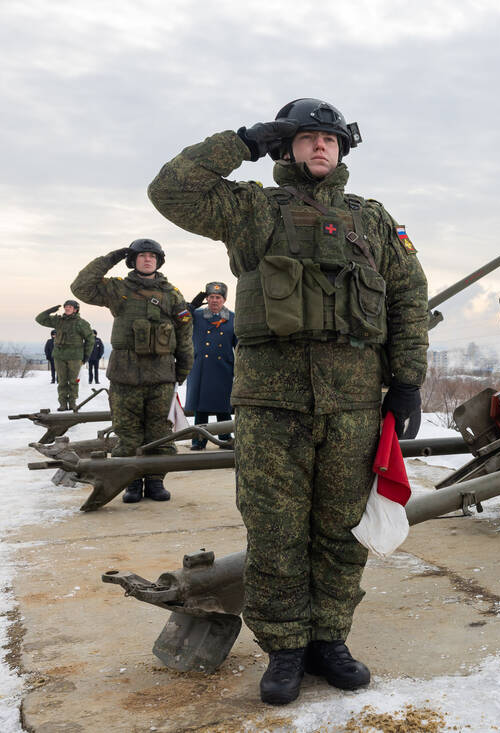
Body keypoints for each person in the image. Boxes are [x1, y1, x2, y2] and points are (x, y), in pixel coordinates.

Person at [148, 98, 428, 706]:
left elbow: (408, 298)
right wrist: (244, 141)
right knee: (275, 533)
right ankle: (285, 649)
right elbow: (172, 190)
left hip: (353, 406)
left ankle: (330, 639)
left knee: (341, 531)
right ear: (287, 148)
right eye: (305, 138)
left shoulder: (373, 222)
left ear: (343, 150)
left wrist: (406, 382)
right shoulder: (251, 209)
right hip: (271, 406)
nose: (320, 146)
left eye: (329, 139)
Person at [71, 239, 193, 503]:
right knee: (127, 433)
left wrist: (182, 369)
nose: (147, 260)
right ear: (133, 260)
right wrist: (110, 257)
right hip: (125, 376)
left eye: (152, 256)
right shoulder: (118, 289)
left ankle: (155, 481)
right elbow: (81, 287)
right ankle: (132, 482)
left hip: (160, 377)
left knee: (160, 434)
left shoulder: (172, 294)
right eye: (141, 256)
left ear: (158, 261)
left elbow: (184, 334)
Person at [185, 281, 236, 450]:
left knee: (223, 406)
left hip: (223, 368)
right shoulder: (197, 315)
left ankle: (226, 437)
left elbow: (239, 344)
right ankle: (198, 440)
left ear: (224, 300)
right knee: (201, 407)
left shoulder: (233, 318)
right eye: (211, 297)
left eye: (218, 297)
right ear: (207, 298)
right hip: (201, 368)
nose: (215, 300)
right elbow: (179, 318)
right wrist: (192, 306)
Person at [35, 301, 93, 410]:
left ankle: (72, 403)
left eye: (70, 307)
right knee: (61, 381)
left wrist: (86, 356)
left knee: (73, 381)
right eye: (66, 306)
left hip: (75, 357)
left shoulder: (81, 323)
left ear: (75, 309)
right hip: (59, 356)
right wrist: (50, 311)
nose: (67, 308)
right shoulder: (58, 321)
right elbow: (39, 319)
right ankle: (62, 403)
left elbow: (90, 339)